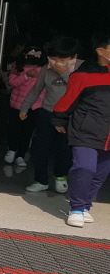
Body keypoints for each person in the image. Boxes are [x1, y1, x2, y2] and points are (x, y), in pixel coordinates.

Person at [53, 31, 110, 228]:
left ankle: (85, 206)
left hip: (108, 136)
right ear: (101, 51)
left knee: (99, 174)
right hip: (85, 131)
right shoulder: (84, 75)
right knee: (85, 168)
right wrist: (59, 119)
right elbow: (68, 99)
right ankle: (76, 208)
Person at [21, 35, 83, 194]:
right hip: (48, 113)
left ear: (74, 57)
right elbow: (36, 90)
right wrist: (25, 107)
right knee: (39, 148)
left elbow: (79, 90)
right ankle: (40, 180)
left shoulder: (83, 68)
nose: (56, 63)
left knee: (65, 150)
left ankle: (60, 177)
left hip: (70, 117)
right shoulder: (45, 69)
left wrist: (63, 73)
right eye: (53, 59)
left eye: (62, 60)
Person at [4, 46, 47, 168]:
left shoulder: (44, 71)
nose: (31, 66)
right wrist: (26, 76)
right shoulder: (17, 67)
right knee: (13, 129)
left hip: (34, 107)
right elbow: (12, 82)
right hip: (16, 105)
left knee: (27, 132)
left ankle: (20, 155)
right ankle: (12, 149)